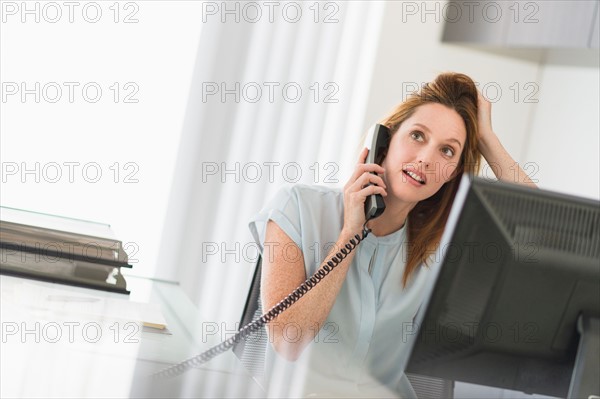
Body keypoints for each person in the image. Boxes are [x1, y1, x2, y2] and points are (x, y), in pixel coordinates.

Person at [248, 72, 537, 397]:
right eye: (417, 135)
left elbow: (540, 232)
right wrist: (350, 234)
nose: (426, 159)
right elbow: (288, 342)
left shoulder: (439, 247)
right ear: (383, 141)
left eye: (447, 151)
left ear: (453, 173)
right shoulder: (299, 208)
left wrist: (486, 140)